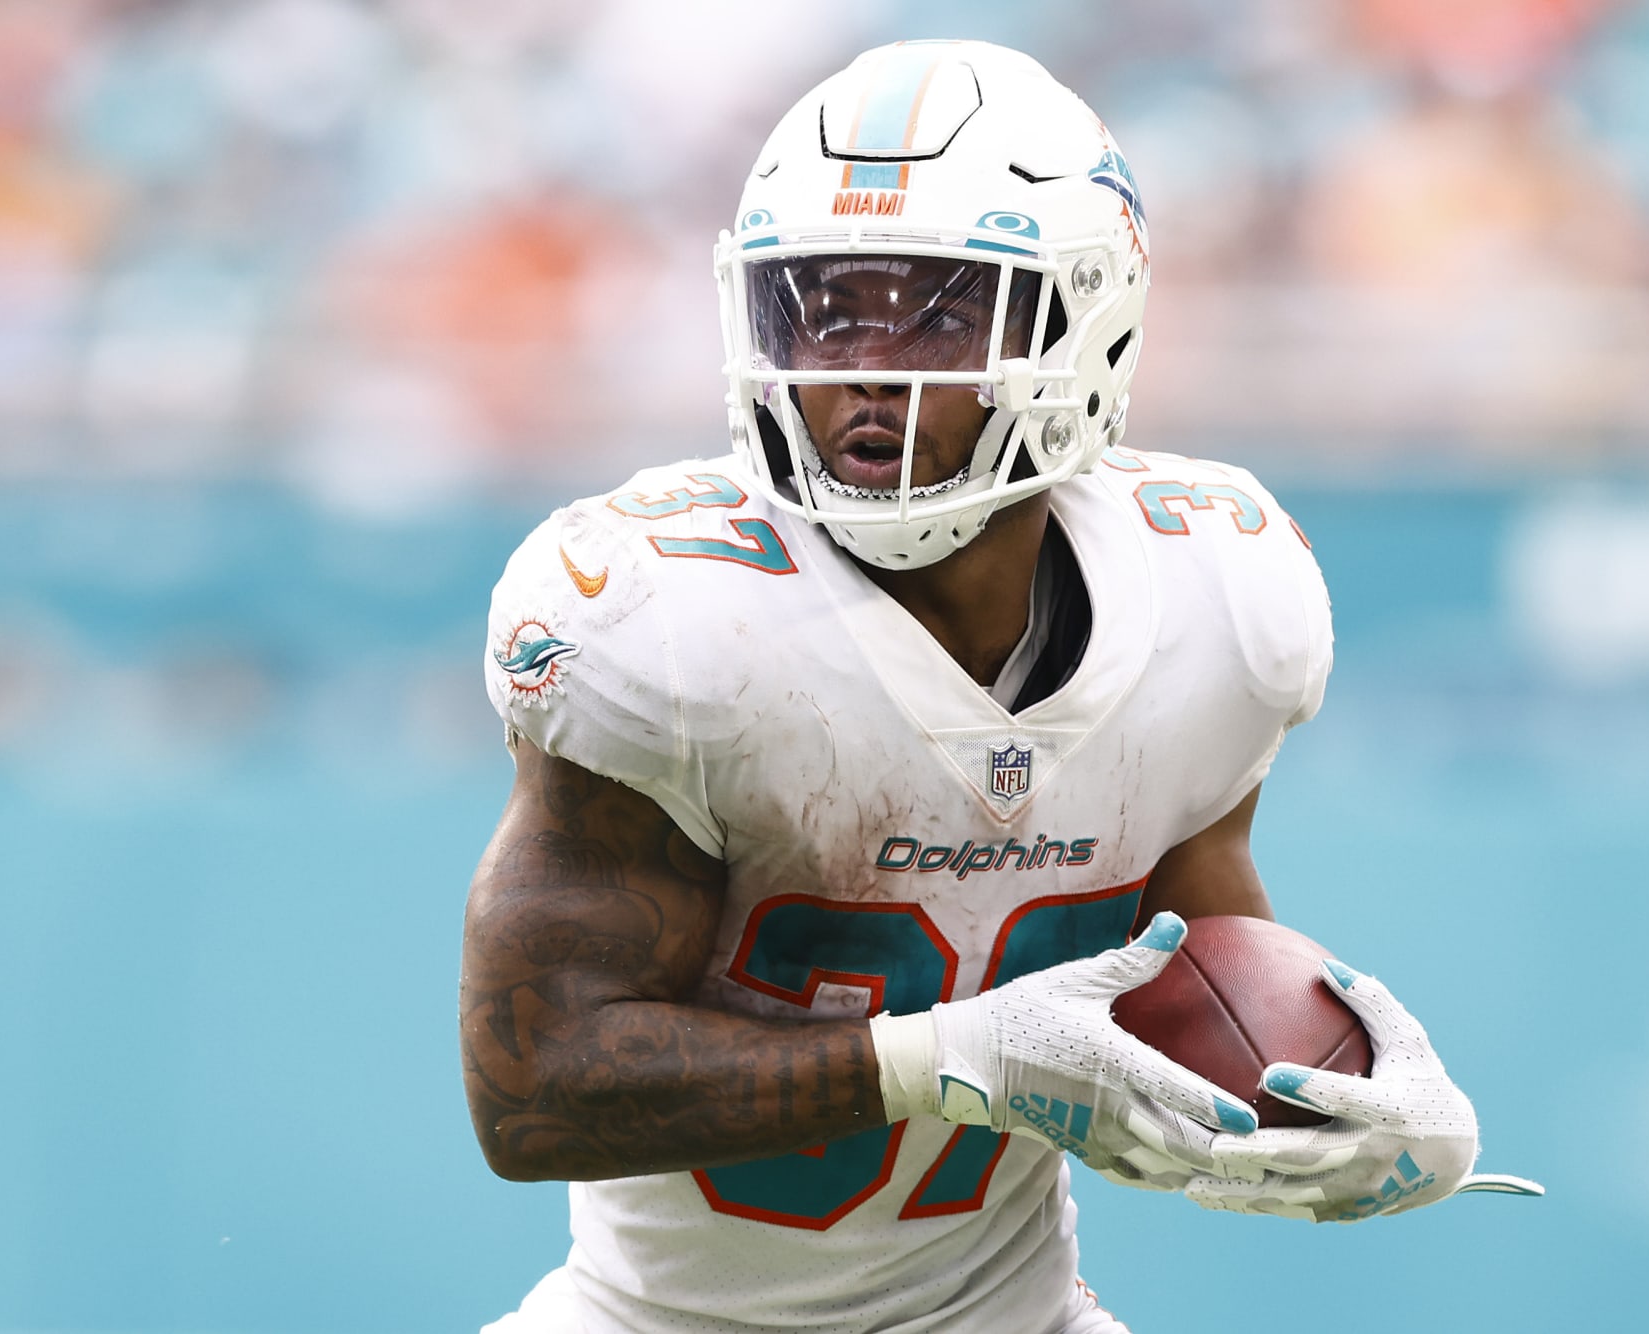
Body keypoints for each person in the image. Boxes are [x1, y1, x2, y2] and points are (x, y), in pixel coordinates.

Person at [462, 40, 1539, 1334]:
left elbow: (1195, 982)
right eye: (825, 304)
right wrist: (945, 1062)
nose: (867, 358)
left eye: (937, 308)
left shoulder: (1215, 591)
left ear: (1086, 320)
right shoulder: (667, 613)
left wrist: (1372, 1112)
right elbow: (535, 1086)